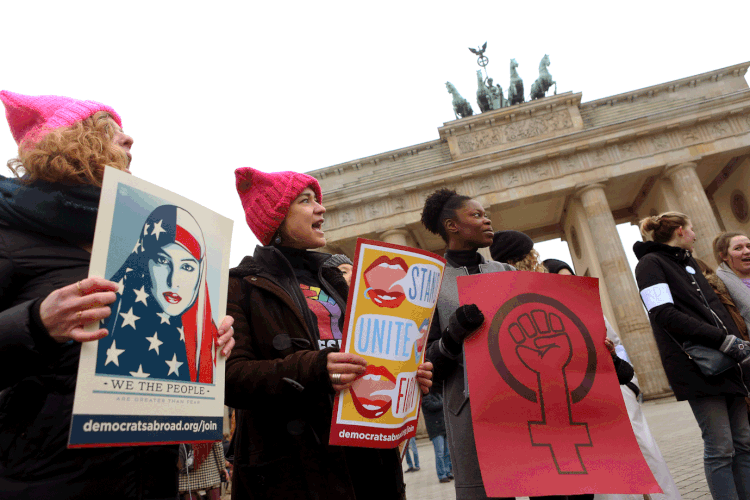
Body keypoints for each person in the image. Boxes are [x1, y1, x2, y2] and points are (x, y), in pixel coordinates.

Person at [0, 91, 234, 499]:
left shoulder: (135, 239)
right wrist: (35, 323)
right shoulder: (9, 235)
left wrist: (206, 346)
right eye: (107, 131)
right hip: (45, 481)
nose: (129, 140)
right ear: (64, 143)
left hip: (148, 478)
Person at [225, 167, 433, 500]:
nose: (321, 208)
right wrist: (316, 368)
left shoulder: (338, 281)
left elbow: (373, 355)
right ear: (277, 217)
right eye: (306, 201)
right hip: (295, 466)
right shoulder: (242, 285)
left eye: (318, 200)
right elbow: (230, 378)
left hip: (367, 459)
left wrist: (407, 372)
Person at [634, 211, 750, 500]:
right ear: (680, 232)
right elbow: (662, 313)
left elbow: (715, 309)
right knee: (720, 446)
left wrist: (733, 342)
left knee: (744, 441)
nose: (696, 235)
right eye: (692, 229)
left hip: (727, 358)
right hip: (697, 363)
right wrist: (721, 339)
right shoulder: (650, 264)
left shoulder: (689, 263)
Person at [545, 259, 683, 500]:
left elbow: (617, 345)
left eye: (571, 276)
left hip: (617, 392)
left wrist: (630, 384)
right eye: (560, 278)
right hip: (582, 402)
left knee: (645, 452)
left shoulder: (589, 307)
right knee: (608, 466)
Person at [421, 188, 515, 500]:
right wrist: (453, 334)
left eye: (485, 214)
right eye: (476, 215)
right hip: (471, 411)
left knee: (546, 486)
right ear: (452, 226)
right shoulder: (430, 283)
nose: (487, 220)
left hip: (522, 404)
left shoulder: (508, 272)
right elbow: (426, 366)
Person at [95, 204, 219, 382]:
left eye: (187, 266)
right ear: (144, 260)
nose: (173, 281)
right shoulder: (105, 315)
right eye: (162, 260)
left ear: (201, 273)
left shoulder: (205, 334)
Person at [714, 232, 750, 334]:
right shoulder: (719, 287)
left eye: (749, 246)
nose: (747, 251)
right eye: (738, 248)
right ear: (724, 256)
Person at [421, 387, 453, 483]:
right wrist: (444, 401)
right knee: (439, 453)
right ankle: (441, 475)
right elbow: (434, 406)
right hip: (435, 430)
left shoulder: (438, 395)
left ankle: (448, 472)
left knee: (447, 452)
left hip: (443, 428)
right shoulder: (425, 399)